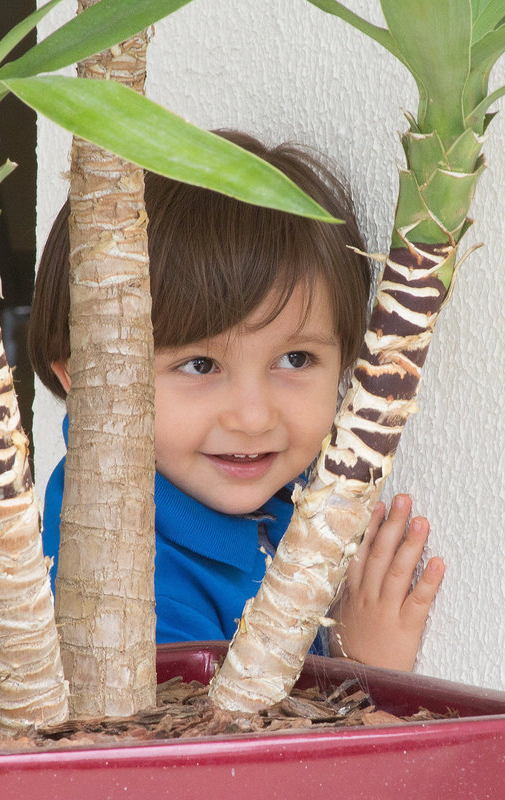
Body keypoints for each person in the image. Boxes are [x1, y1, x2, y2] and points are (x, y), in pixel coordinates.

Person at [28, 130, 444, 671]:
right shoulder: (124, 589)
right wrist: (362, 672)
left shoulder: (290, 491)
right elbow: (208, 753)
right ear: (86, 382)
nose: (253, 417)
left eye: (295, 360)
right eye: (200, 365)